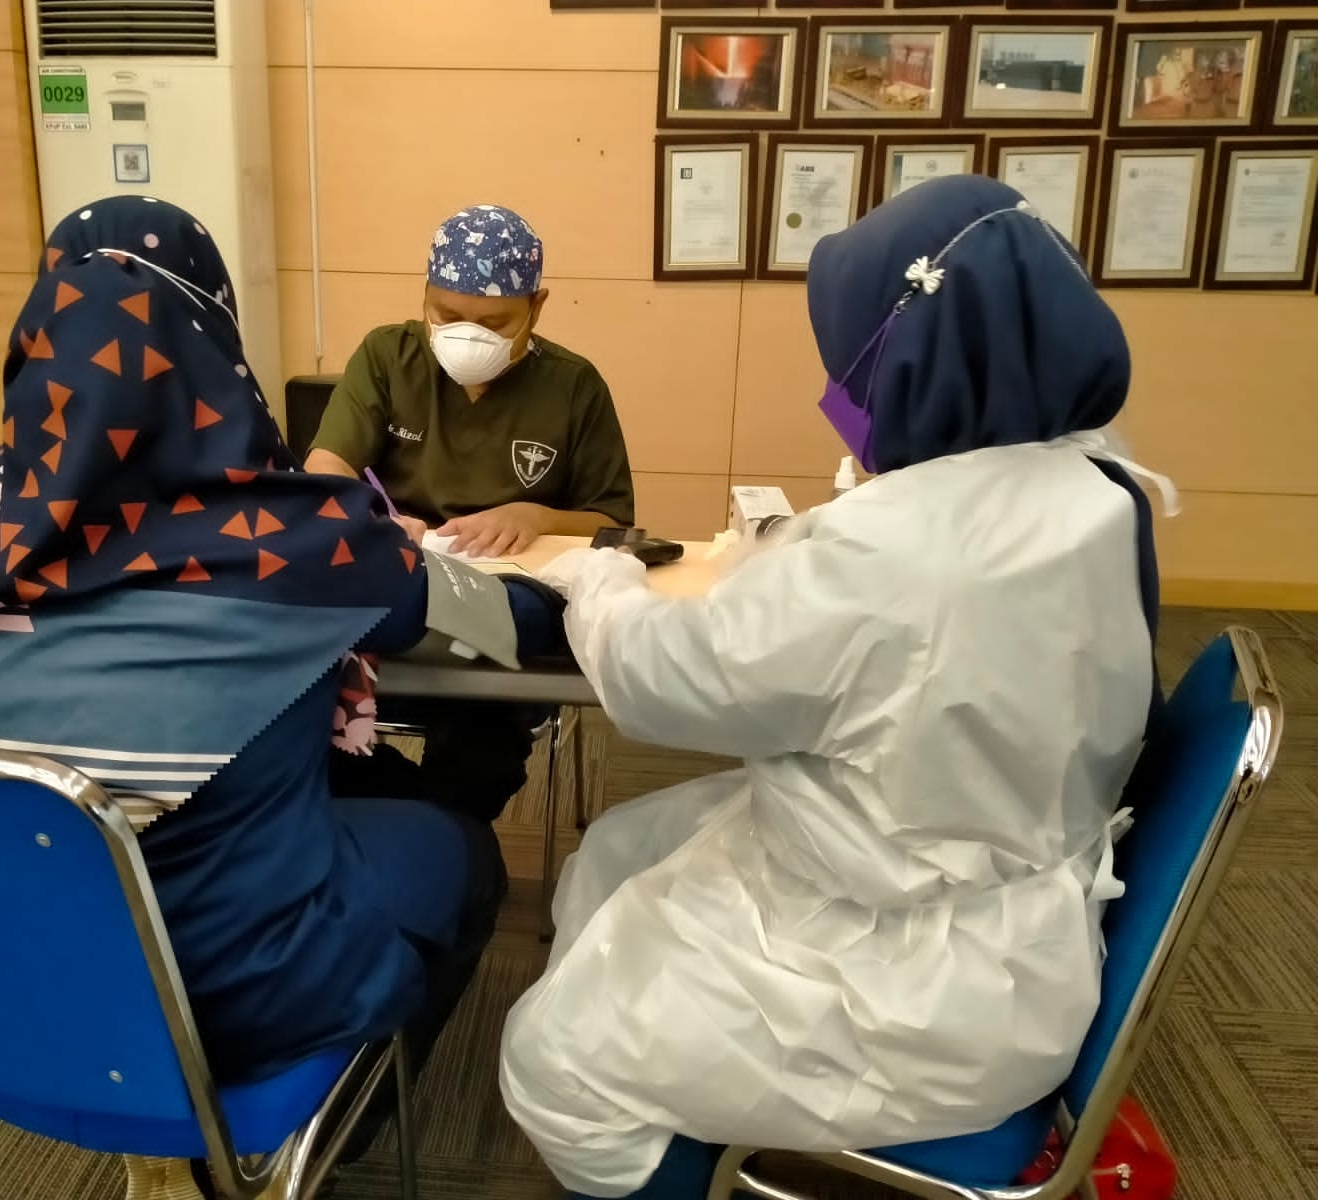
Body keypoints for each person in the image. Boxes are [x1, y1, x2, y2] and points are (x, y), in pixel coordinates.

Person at [498, 175, 1177, 1200]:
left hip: (914, 982)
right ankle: (681, 1092)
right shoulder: (1099, 486)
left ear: (910, 357)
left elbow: (655, 682)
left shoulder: (889, 549)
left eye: (855, 364)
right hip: (1001, 889)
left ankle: (657, 1149)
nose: (848, 389)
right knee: (618, 849)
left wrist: (598, 571)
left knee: (546, 1063)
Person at [0, 197, 563, 1200]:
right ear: (210, 330)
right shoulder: (289, 535)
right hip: (226, 991)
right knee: (454, 848)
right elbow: (503, 628)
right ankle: (305, 1145)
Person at [303, 203, 635, 558]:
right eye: (448, 316)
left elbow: (611, 523)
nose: (469, 338)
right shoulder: (389, 356)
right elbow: (326, 465)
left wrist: (536, 518)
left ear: (536, 309)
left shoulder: (573, 385)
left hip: (517, 571)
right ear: (425, 294)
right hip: (403, 557)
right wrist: (369, 517)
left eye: (493, 325)